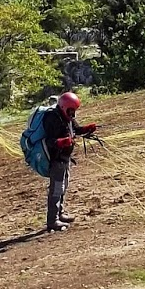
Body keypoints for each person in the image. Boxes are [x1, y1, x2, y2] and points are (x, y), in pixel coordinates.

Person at [42, 91, 97, 232]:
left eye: (74, 110)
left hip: (65, 159)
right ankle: (52, 220)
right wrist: (62, 142)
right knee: (56, 189)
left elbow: (76, 130)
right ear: (63, 106)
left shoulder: (67, 117)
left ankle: (59, 213)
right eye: (71, 110)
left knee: (63, 186)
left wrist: (87, 129)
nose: (73, 113)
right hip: (56, 160)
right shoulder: (52, 118)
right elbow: (49, 141)